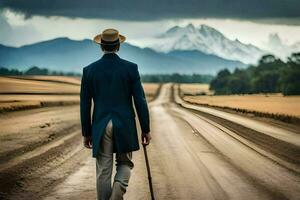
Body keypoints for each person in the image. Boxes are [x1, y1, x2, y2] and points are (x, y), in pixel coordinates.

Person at [80, 28, 152, 200]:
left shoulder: (89, 70)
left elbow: (85, 104)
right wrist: (145, 129)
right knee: (125, 163)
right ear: (118, 46)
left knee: (103, 170)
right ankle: (117, 195)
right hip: (124, 124)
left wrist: (87, 133)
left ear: (101, 46)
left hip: (101, 125)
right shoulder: (131, 68)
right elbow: (140, 101)